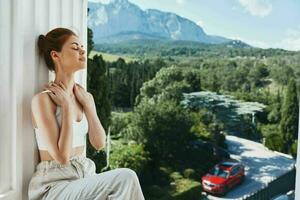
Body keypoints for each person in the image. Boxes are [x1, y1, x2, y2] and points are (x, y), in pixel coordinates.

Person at [28, 27, 145, 200]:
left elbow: (98, 144)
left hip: (84, 177)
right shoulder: (42, 101)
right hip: (54, 187)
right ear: (55, 55)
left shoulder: (84, 97)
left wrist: (90, 107)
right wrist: (67, 108)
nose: (83, 50)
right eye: (75, 47)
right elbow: (61, 157)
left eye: (82, 47)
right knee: (126, 177)